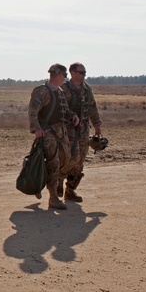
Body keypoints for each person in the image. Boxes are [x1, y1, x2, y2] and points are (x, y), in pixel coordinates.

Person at [28, 64, 79, 210]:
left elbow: (65, 109)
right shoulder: (42, 91)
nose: (65, 79)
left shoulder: (60, 92)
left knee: (68, 159)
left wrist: (72, 115)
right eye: (64, 76)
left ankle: (39, 181)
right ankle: (53, 197)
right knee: (53, 163)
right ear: (59, 76)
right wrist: (36, 129)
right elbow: (32, 111)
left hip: (61, 132)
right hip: (48, 133)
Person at [61, 62, 103, 203]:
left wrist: (97, 125)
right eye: (81, 72)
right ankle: (58, 180)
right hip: (67, 130)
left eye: (85, 72)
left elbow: (92, 108)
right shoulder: (64, 89)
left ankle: (70, 190)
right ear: (73, 73)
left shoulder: (86, 89)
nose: (84, 75)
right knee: (68, 157)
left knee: (80, 160)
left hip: (84, 130)